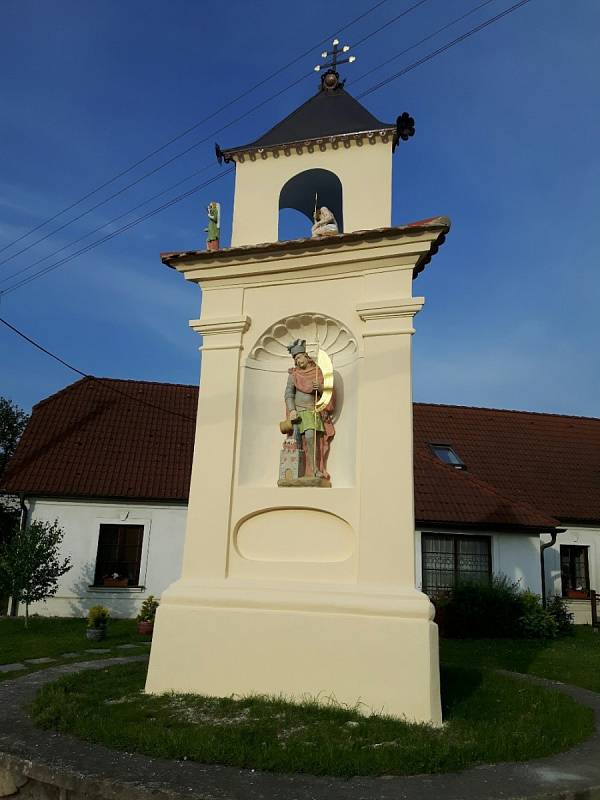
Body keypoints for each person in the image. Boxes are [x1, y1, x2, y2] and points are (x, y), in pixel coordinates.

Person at [284, 339, 334, 479]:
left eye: (299, 357)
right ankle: (301, 471)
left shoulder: (317, 372)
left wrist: (321, 388)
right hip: (298, 412)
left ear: (306, 356)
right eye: (296, 359)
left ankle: (314, 469)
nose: (298, 361)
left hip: (312, 411)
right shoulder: (293, 375)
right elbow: (288, 394)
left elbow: (329, 391)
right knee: (298, 442)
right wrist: (292, 410)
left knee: (312, 438)